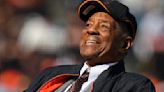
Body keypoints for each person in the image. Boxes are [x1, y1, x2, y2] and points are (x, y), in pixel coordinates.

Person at [24, 0, 156, 92]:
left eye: (104, 26)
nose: (91, 30)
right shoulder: (51, 75)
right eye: (88, 25)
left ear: (124, 44)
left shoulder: (134, 86)